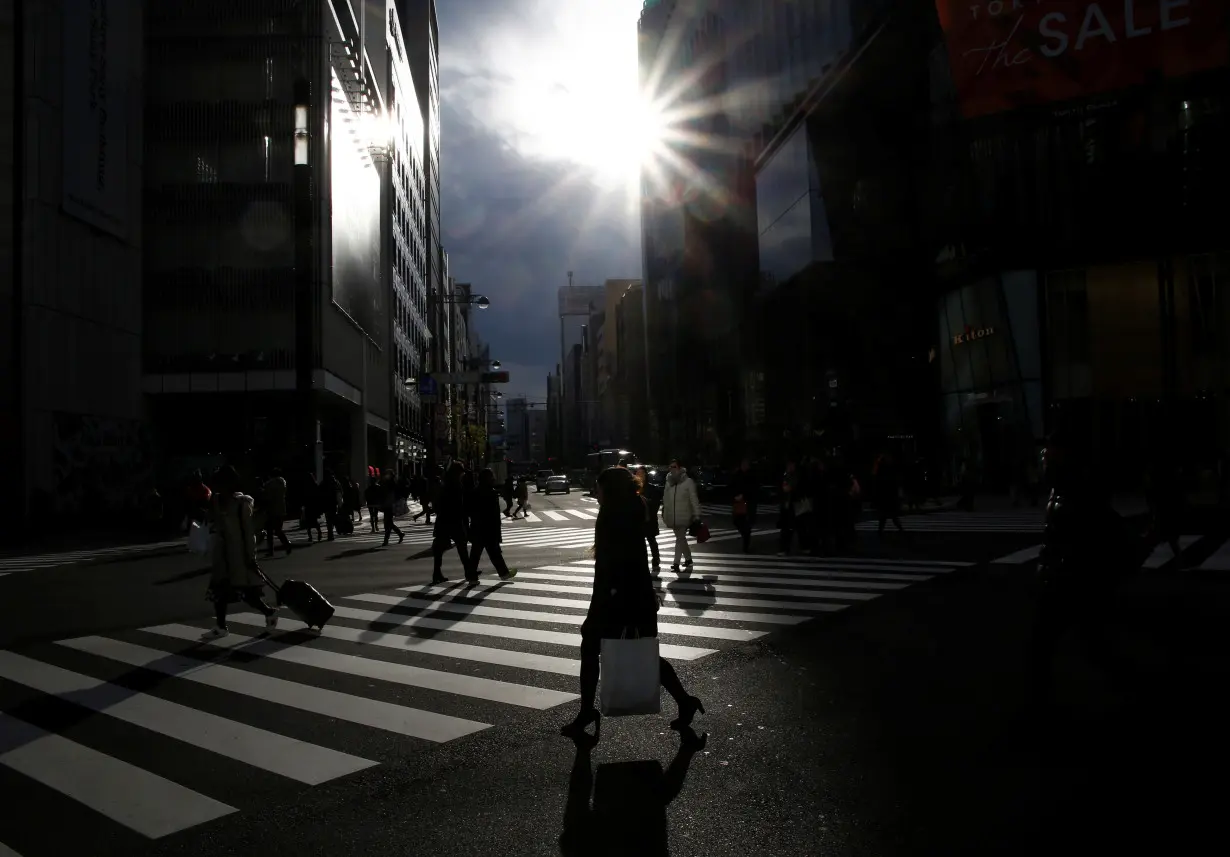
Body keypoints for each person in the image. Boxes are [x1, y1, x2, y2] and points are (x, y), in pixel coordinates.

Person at [561, 466, 704, 740]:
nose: (596, 492)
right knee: (642, 652)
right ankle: (685, 701)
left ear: (609, 490)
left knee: (593, 646)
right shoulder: (633, 508)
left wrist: (599, 606)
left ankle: (586, 712)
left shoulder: (614, 515)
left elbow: (610, 566)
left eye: (599, 488)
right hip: (635, 596)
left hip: (618, 597)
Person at [203, 465, 278, 640]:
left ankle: (269, 611)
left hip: (238, 556)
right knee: (219, 591)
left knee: (246, 593)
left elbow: (248, 533)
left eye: (221, 483)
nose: (218, 488)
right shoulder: (215, 501)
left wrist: (251, 558)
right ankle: (221, 626)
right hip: (222, 555)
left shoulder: (241, 504)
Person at [467, 468, 517, 583]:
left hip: (477, 527)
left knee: (476, 554)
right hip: (489, 528)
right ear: (488, 479)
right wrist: (498, 533)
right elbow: (495, 515)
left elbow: (469, 510)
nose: (494, 479)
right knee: (495, 553)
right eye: (492, 477)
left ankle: (472, 577)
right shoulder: (492, 493)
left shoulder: (474, 492)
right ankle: (503, 573)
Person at [661, 459, 700, 573]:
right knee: (681, 539)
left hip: (684, 515)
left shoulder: (688, 482)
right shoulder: (668, 482)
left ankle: (676, 563)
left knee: (680, 538)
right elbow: (665, 499)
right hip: (672, 515)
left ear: (679, 468)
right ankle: (688, 558)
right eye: (670, 467)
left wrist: (696, 514)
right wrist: (664, 512)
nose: (671, 469)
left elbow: (694, 499)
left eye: (674, 467)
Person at [634, 465, 662, 570]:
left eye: (641, 473)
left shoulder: (652, 488)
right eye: (637, 473)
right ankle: (641, 561)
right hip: (637, 519)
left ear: (646, 475)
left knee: (651, 539)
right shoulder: (634, 488)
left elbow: (655, 504)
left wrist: (643, 500)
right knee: (638, 542)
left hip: (649, 518)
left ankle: (656, 559)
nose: (639, 475)